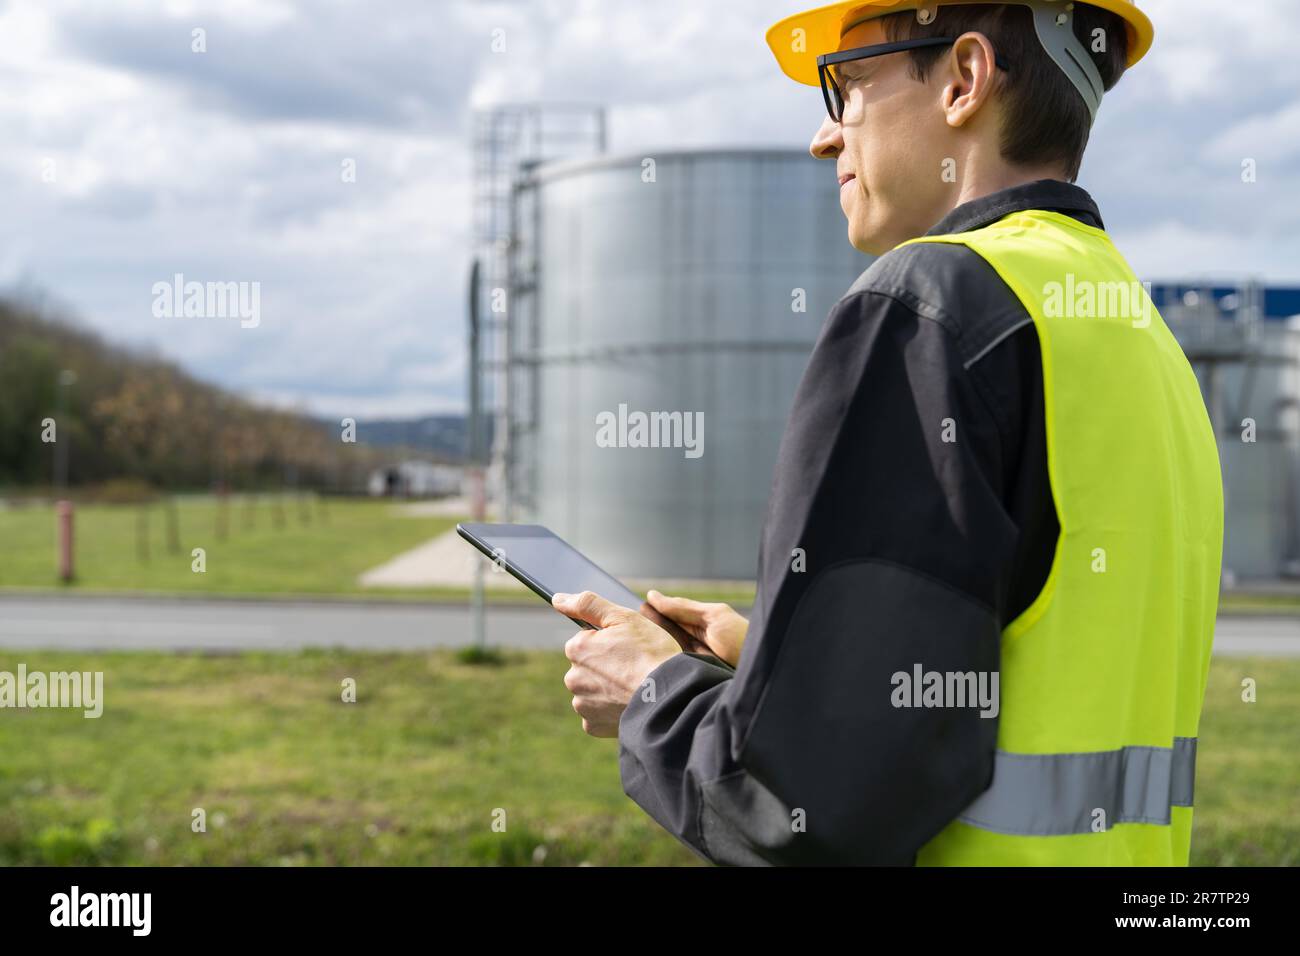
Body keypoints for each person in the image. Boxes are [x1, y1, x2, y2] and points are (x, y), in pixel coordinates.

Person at [553, 0, 1223, 865]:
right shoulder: (1133, 328)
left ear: (963, 80)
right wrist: (780, 665)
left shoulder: (927, 307)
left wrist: (652, 693)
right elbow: (1019, 676)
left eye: (847, 86)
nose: (825, 138)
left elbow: (805, 806)